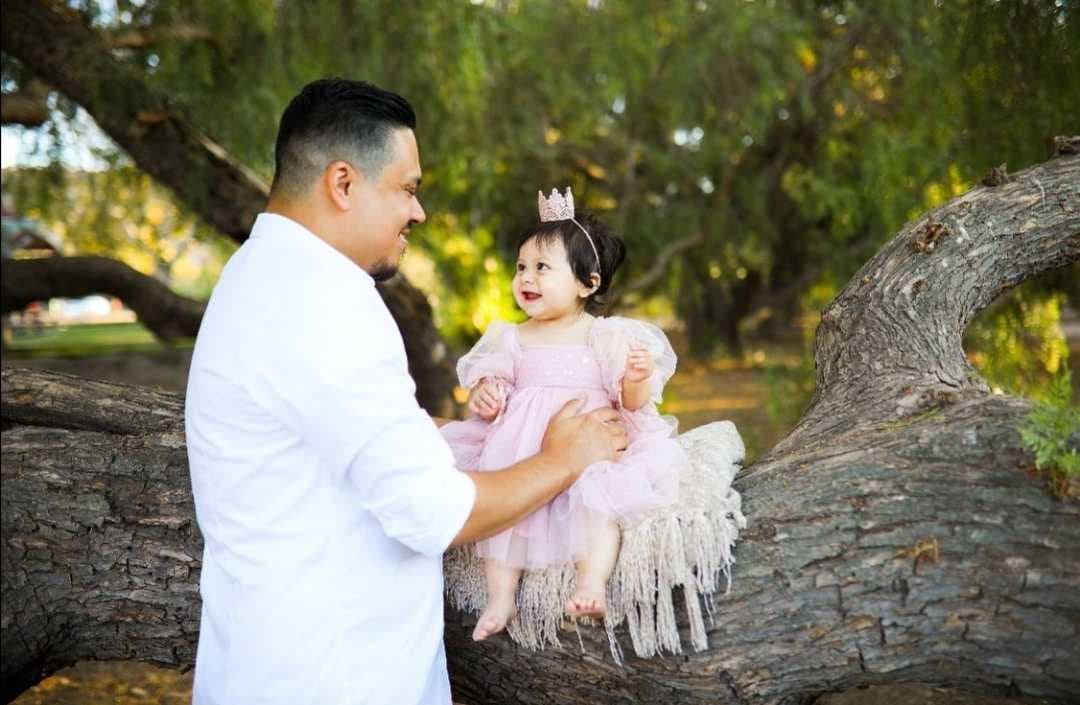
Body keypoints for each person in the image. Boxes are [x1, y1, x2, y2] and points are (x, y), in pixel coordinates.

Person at [184, 79, 627, 705]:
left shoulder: (257, 276)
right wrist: (563, 458)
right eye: (407, 189)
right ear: (343, 183)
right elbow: (434, 512)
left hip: (268, 663)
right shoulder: (323, 302)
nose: (417, 212)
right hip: (333, 678)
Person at [440, 187, 687, 641]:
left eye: (542, 268)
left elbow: (632, 403)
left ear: (587, 283)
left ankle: (590, 583)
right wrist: (487, 395)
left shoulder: (605, 335)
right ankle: (500, 597)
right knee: (503, 509)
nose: (525, 278)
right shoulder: (510, 338)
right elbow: (489, 383)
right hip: (522, 455)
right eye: (521, 267)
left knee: (598, 503)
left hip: (587, 448)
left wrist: (635, 377)